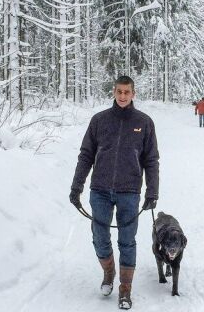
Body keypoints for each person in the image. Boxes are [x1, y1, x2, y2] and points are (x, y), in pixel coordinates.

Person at [69, 75, 160, 310]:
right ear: (113, 92)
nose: (122, 96)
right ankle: (109, 272)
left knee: (127, 241)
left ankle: (125, 290)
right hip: (99, 189)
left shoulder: (144, 122)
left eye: (126, 92)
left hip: (129, 191)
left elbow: (151, 160)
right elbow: (86, 155)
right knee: (99, 237)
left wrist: (152, 192)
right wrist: (76, 186)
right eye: (119, 92)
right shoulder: (99, 120)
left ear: (133, 94)